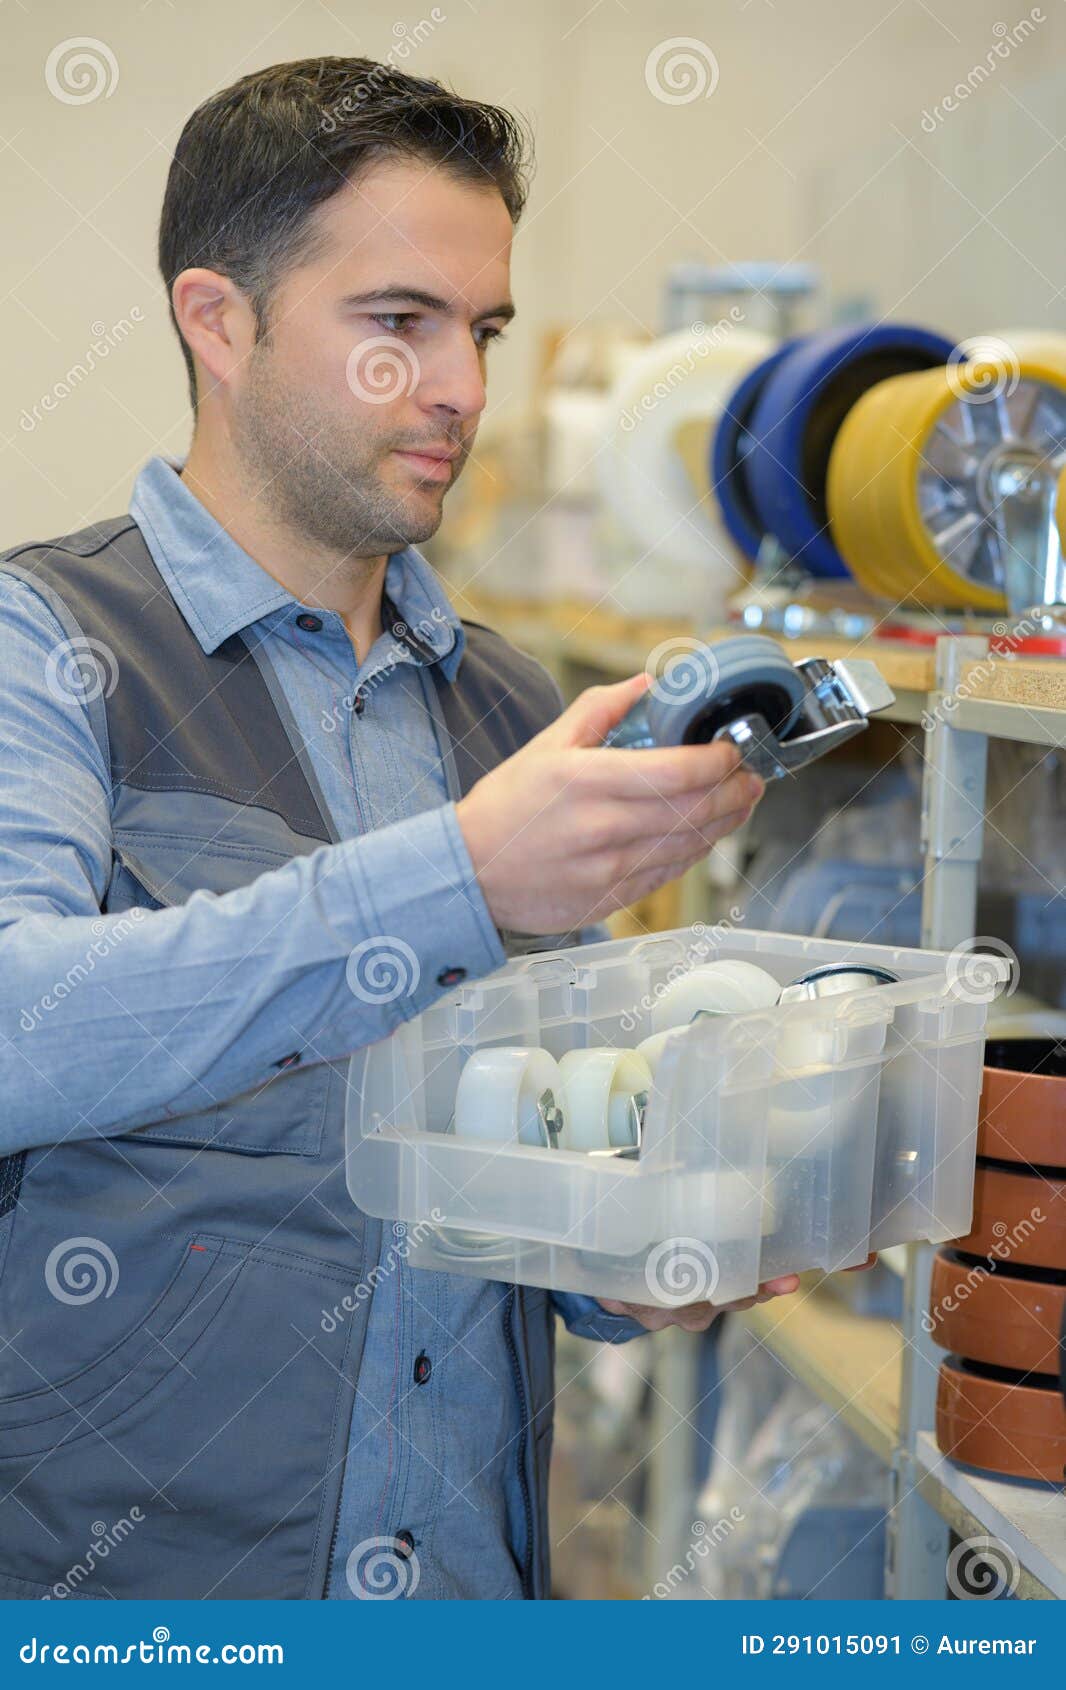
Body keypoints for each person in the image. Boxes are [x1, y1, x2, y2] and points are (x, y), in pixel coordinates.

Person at [0, 55, 796, 1601]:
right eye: (398, 323)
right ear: (218, 320)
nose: (461, 390)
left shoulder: (502, 703)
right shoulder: (51, 644)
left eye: (479, 331)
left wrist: (645, 1248)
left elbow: (546, 1157)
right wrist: (461, 875)